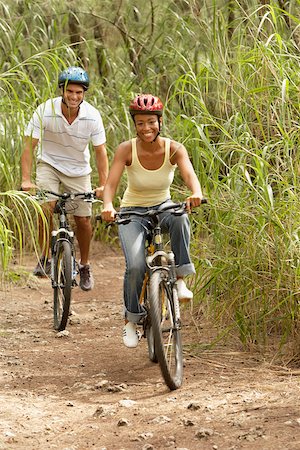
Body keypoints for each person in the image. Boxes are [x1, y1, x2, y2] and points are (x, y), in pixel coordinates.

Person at [101, 94, 204, 348]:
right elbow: (111, 183)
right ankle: (131, 321)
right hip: (133, 211)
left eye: (151, 122)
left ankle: (180, 279)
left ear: (160, 121)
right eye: (140, 123)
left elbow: (189, 174)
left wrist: (196, 193)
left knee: (180, 217)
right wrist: (107, 205)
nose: (146, 128)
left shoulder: (174, 148)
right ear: (134, 125)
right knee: (135, 265)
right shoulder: (127, 149)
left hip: (163, 205)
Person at [21, 66, 108, 291]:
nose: (74, 97)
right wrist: (26, 180)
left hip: (79, 170)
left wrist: (104, 185)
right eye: (70, 91)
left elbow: (101, 152)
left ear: (84, 94)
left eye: (79, 93)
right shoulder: (45, 110)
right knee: (45, 208)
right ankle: (45, 256)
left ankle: (85, 265)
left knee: (83, 219)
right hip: (49, 164)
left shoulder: (92, 116)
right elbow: (29, 146)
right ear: (62, 90)